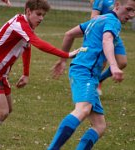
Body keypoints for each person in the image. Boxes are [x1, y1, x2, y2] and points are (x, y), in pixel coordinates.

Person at [0, 0, 79, 149]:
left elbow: (27, 47)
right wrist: (66, 54)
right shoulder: (19, 24)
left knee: (6, 109)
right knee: (2, 111)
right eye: (38, 14)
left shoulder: (27, 26)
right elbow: (38, 43)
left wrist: (26, 74)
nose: (41, 18)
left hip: (0, 72)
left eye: (43, 15)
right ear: (28, 11)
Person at [48, 0, 135, 149]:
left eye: (134, 11)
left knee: (99, 126)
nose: (132, 15)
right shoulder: (113, 21)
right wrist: (113, 66)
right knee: (83, 109)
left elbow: (69, 34)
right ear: (117, 5)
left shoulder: (99, 19)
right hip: (85, 71)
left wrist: (63, 59)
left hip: (86, 71)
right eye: (129, 9)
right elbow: (107, 40)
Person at [90, 0, 127, 95]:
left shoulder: (123, 1)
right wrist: (109, 19)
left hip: (115, 35)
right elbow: (93, 17)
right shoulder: (101, 1)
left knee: (122, 63)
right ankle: (91, 86)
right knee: (101, 63)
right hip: (104, 34)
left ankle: (100, 80)